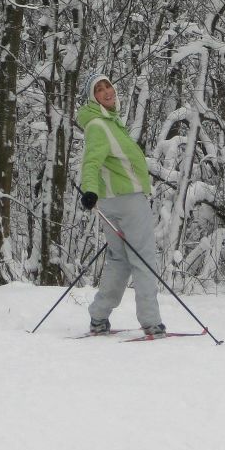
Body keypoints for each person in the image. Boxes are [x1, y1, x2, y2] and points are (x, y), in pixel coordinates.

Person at [77, 69, 166, 337]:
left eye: (109, 87)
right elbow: (91, 162)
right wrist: (89, 191)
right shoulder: (99, 126)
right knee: (143, 259)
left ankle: (99, 317)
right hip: (127, 201)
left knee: (120, 260)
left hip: (110, 203)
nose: (107, 92)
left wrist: (94, 194)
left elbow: (98, 162)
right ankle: (151, 321)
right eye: (99, 90)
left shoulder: (107, 124)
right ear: (92, 98)